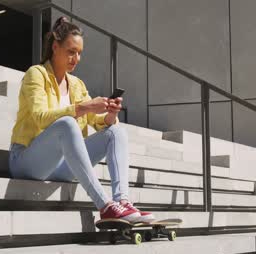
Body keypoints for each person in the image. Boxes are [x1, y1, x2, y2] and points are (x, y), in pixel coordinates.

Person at [8, 16, 154, 223]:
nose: (76, 59)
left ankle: (122, 201)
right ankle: (105, 206)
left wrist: (110, 115)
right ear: (55, 47)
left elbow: (98, 121)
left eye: (79, 53)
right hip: (27, 160)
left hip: (61, 166)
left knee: (116, 131)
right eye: (71, 52)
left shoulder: (76, 84)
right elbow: (40, 118)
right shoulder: (36, 74)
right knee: (67, 123)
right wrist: (83, 107)